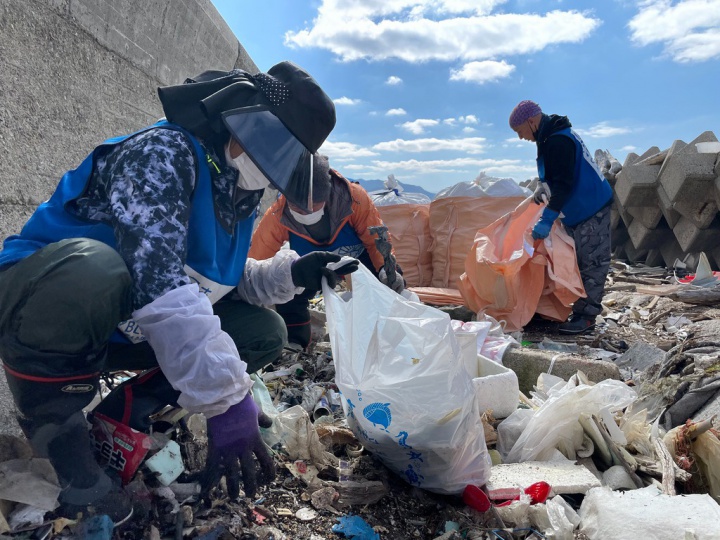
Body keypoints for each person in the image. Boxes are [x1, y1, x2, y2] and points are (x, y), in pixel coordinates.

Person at [0, 61, 359, 519]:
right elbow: (158, 276)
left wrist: (295, 275)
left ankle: (120, 415)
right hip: (41, 301)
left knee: (261, 331)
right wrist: (227, 399)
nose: (269, 173)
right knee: (96, 272)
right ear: (241, 119)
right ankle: (64, 446)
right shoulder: (163, 153)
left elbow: (216, 279)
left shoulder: (236, 192)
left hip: (120, 324)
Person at [248, 159, 404, 349]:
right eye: (298, 208)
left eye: (315, 205)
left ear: (328, 196)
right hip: (312, 265)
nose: (307, 212)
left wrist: (387, 269)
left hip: (356, 259)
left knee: (384, 284)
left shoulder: (353, 199)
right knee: (285, 281)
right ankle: (296, 341)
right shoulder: (278, 215)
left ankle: (386, 335)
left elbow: (376, 240)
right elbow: (256, 261)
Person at [509, 100, 613, 335]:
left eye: (519, 131)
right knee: (574, 260)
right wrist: (542, 185)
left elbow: (564, 185)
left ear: (531, 121)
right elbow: (555, 173)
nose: (520, 137)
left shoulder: (558, 139)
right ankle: (567, 310)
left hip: (591, 205)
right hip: (577, 208)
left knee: (593, 261)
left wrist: (547, 219)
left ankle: (586, 319)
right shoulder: (547, 136)